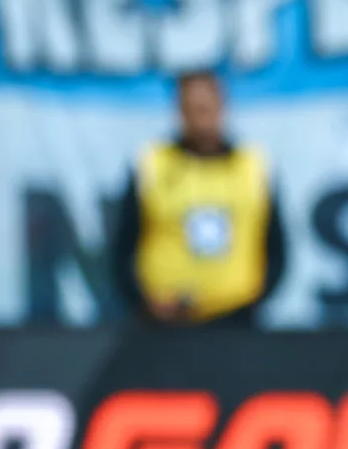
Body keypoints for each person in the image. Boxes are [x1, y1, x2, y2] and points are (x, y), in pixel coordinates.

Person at [111, 69, 288, 327]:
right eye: (192, 108)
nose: (201, 117)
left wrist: (252, 302)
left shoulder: (253, 166)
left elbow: (277, 247)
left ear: (222, 106)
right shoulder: (152, 164)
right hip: (165, 324)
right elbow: (123, 245)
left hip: (235, 320)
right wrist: (141, 302)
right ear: (180, 111)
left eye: (206, 107)